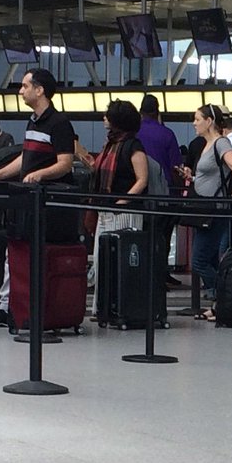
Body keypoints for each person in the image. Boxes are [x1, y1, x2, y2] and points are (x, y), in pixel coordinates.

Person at [0, 68, 76, 328]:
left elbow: (65, 163)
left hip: (46, 207)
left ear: (39, 90)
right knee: (16, 254)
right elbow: (25, 159)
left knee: (34, 257)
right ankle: (9, 308)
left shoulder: (59, 123)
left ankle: (32, 311)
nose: (20, 91)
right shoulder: (33, 122)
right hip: (25, 202)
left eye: (25, 86)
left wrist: (40, 175)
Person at [176, 104, 232, 319]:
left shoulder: (221, 143)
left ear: (209, 122)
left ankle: (224, 296)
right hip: (205, 208)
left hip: (214, 210)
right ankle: (220, 305)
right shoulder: (206, 145)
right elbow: (212, 176)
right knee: (212, 259)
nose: (194, 123)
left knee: (199, 261)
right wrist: (192, 178)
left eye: (198, 119)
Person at [81, 100, 149, 310]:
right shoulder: (110, 145)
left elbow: (142, 179)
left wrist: (124, 200)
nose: (104, 118)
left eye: (108, 115)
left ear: (117, 120)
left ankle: (120, 307)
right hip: (105, 209)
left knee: (120, 259)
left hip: (124, 211)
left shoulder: (133, 146)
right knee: (101, 260)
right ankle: (103, 307)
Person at [137, 93, 184, 287]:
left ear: (140, 112)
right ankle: (161, 274)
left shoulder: (134, 132)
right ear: (158, 112)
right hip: (165, 195)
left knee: (142, 236)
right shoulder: (167, 134)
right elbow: (175, 167)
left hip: (139, 195)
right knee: (163, 237)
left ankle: (143, 275)